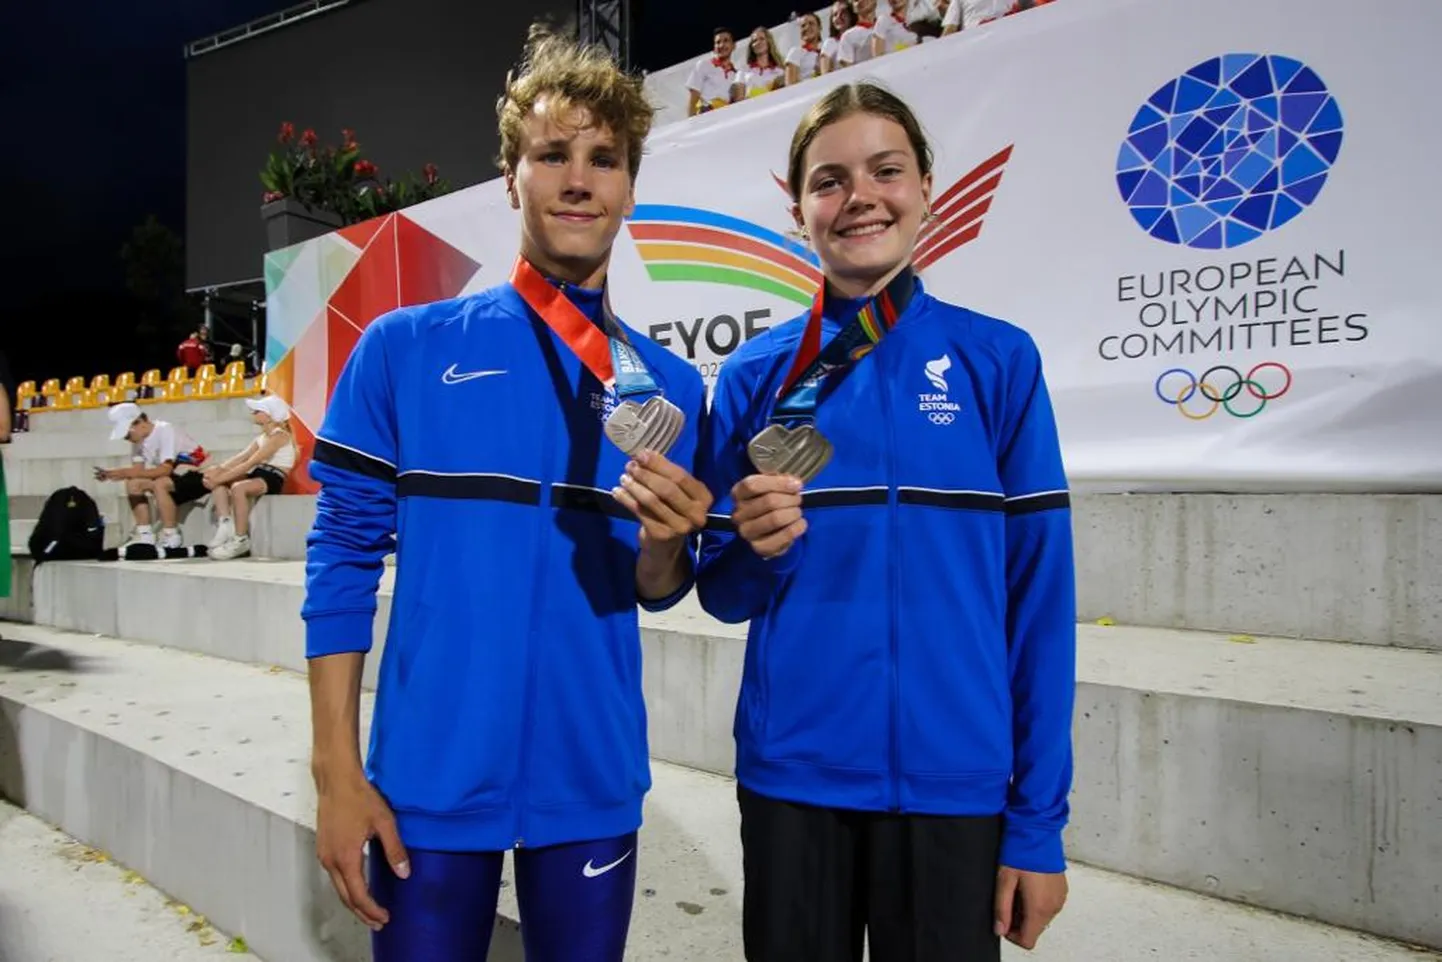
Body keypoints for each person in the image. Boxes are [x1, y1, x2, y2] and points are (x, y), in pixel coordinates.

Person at [301, 25, 711, 962]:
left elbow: (655, 586)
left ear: (630, 185)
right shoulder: (405, 349)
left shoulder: (671, 390)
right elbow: (342, 559)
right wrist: (336, 772)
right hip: (429, 777)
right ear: (510, 177)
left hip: (591, 779)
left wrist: (664, 545)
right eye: (552, 154)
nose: (579, 179)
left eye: (604, 159)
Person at [696, 81, 1075, 960]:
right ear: (799, 213)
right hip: (794, 783)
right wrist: (757, 550)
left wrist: (1036, 824)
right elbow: (722, 593)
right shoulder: (754, 377)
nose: (859, 197)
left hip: (955, 786)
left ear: (927, 189)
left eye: (886, 171)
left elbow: (1041, 601)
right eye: (829, 181)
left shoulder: (998, 361)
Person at [99, 402, 209, 550]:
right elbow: (137, 471)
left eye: (127, 434)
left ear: (139, 422)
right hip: (175, 476)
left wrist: (124, 472)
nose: (127, 438)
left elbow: (165, 470)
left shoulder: (165, 430)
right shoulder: (138, 441)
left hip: (197, 472)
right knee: (133, 484)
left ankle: (171, 535)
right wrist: (115, 474)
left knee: (160, 483)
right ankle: (145, 535)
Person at [202, 394, 297, 560]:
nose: (253, 413)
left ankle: (240, 539)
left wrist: (219, 478)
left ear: (270, 416)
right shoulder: (262, 437)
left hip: (273, 476)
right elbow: (241, 457)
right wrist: (217, 470)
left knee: (238, 487)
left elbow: (251, 462)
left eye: (257, 411)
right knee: (218, 480)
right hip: (259, 472)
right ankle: (225, 524)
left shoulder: (280, 436)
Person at [686, 26, 743, 116]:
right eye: (718, 42)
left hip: (726, 117)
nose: (721, 45)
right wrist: (691, 121)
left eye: (726, 40)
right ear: (714, 47)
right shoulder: (703, 65)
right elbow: (693, 99)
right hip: (705, 116)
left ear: (734, 46)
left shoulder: (736, 75)